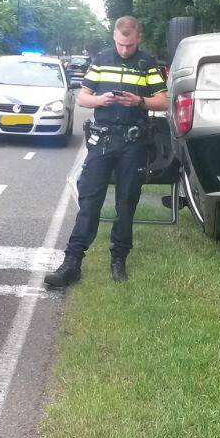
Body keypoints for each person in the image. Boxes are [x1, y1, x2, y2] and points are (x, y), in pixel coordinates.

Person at [45, 16, 168, 287]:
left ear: (138, 38)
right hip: (102, 140)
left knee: (127, 204)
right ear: (115, 37)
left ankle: (118, 259)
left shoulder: (147, 63)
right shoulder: (101, 59)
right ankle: (72, 262)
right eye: (121, 45)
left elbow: (164, 101)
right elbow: (83, 97)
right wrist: (101, 100)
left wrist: (140, 101)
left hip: (133, 143)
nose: (125, 50)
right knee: (89, 202)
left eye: (130, 45)